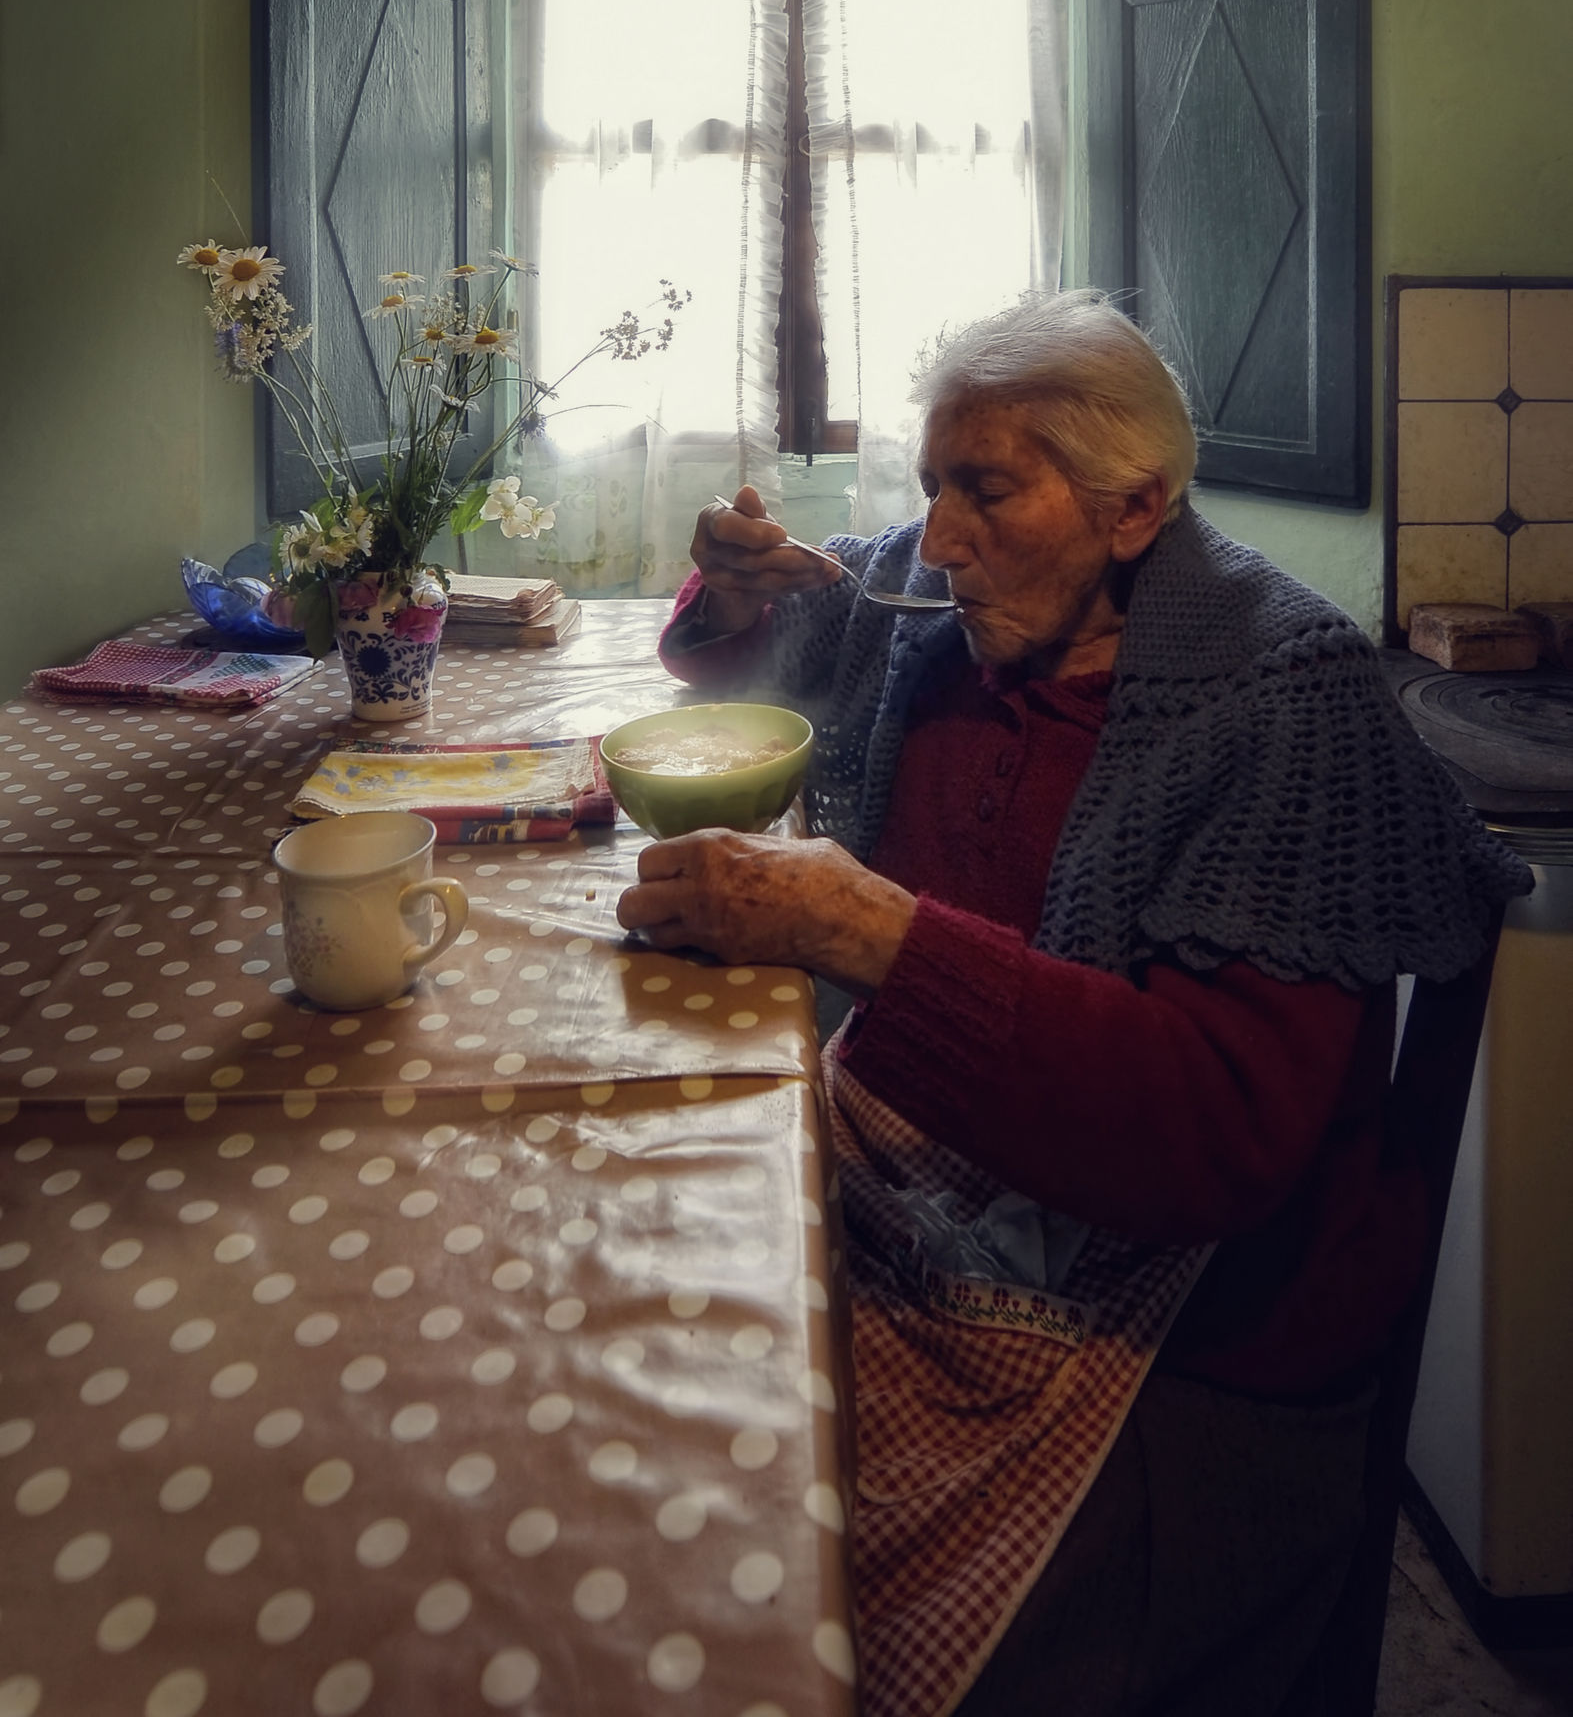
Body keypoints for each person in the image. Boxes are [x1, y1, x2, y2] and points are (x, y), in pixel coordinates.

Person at [617, 290, 1529, 1717]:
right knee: (636, 1422)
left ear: (1130, 509)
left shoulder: (1281, 700)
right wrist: (730, 598)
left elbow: (1214, 1140)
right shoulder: (945, 614)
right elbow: (761, 654)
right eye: (930, 486)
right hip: (943, 1234)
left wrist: (869, 928)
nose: (938, 536)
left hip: (1192, 1360)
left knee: (749, 1621)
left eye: (985, 489)